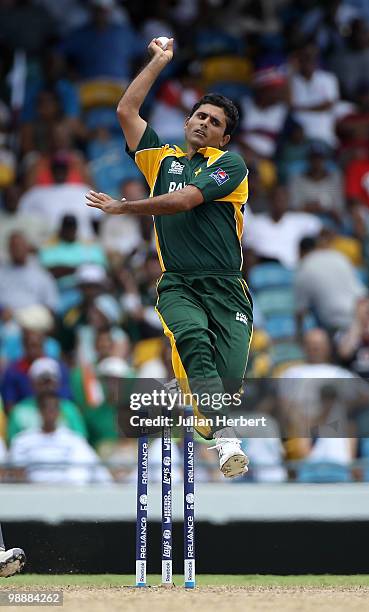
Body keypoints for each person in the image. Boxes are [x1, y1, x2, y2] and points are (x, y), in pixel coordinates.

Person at [85, 37, 253, 478]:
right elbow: (126, 111)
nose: (203, 123)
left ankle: (208, 421)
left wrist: (125, 207)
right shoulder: (162, 159)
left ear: (224, 135)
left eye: (213, 121)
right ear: (187, 120)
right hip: (177, 281)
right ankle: (224, 435)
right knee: (194, 340)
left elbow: (183, 202)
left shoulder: (231, 166)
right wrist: (158, 61)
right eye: (199, 115)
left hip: (227, 287)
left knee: (228, 380)